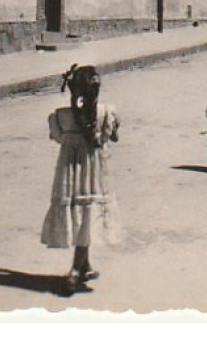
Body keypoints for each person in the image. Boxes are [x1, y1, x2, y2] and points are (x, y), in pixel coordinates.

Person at [41, 64, 120, 293]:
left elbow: (57, 137)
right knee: (88, 214)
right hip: (93, 175)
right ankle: (76, 269)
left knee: (80, 213)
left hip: (69, 174)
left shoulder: (61, 116)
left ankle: (84, 264)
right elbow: (112, 136)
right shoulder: (105, 113)